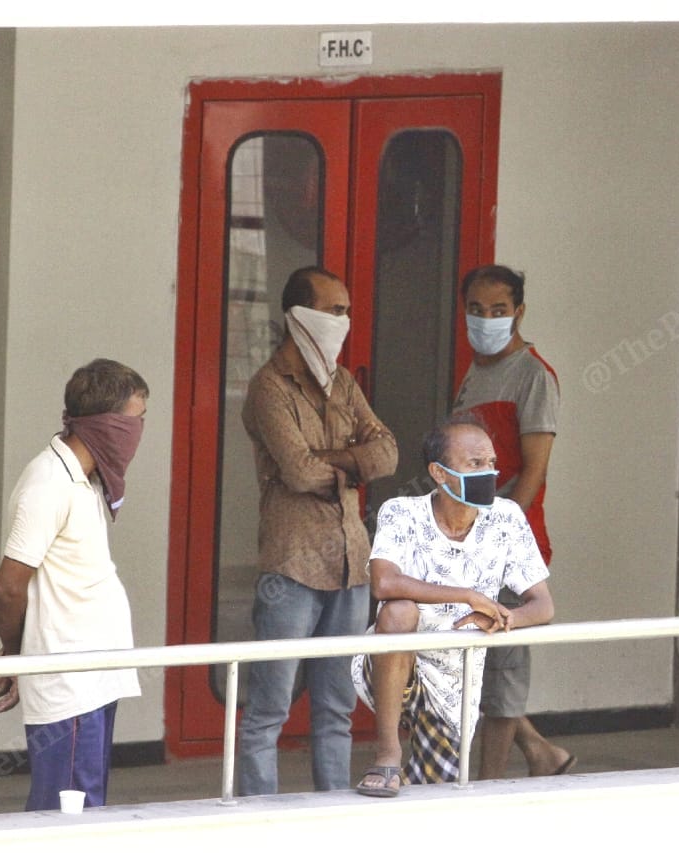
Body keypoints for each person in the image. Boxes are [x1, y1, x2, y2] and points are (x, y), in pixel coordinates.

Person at [237, 266, 398, 794]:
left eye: (347, 310)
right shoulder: (268, 386)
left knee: (337, 709)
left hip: (351, 561)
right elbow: (298, 471)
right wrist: (352, 464)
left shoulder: (344, 382)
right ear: (298, 315)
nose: (344, 321)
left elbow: (389, 452)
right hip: (292, 565)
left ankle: (330, 816)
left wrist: (333, 461)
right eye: (334, 310)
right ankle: (262, 820)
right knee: (269, 710)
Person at [352, 415, 554, 796]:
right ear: (439, 473)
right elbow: (384, 582)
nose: (488, 473)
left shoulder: (506, 518)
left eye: (491, 464)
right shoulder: (402, 512)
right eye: (475, 464)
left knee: (433, 794)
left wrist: (498, 617)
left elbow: (542, 606)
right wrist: (467, 595)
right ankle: (387, 753)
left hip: (456, 681)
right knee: (399, 610)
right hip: (393, 661)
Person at [0, 358, 149, 811]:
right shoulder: (49, 482)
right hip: (70, 682)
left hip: (96, 677)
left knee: (83, 808)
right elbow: (7, 586)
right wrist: (16, 654)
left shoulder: (85, 479)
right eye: (136, 421)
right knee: (64, 814)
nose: (139, 433)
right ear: (110, 425)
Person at [450, 264, 572, 779]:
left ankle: (488, 786)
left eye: (498, 310)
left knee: (498, 667)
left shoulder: (533, 375)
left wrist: (496, 539)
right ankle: (540, 751)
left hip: (506, 546)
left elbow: (533, 472)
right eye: (476, 310)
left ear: (518, 311)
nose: (486, 319)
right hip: (466, 537)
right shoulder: (476, 370)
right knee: (470, 658)